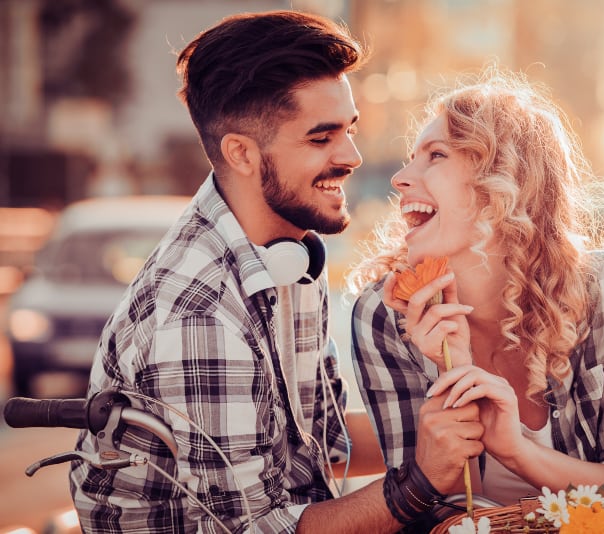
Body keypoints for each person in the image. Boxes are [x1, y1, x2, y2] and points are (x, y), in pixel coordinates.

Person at [69, 11, 484, 533]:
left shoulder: (287, 252)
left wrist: (464, 417)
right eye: (321, 138)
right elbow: (257, 529)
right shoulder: (197, 316)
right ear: (241, 152)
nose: (353, 155)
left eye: (350, 129)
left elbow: (325, 450)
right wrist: (421, 482)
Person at [347, 65, 604, 508]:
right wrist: (453, 372)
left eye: (436, 155)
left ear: (504, 184)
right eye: (412, 156)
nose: (400, 177)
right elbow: (434, 512)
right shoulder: (386, 313)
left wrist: (516, 451)